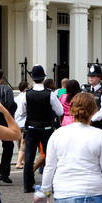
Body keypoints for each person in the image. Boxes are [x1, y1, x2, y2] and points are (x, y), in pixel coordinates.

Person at [17, 65, 64, 193]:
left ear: (32, 79)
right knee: (50, 157)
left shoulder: (27, 94)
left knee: (29, 157)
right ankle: (51, 184)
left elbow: (21, 113)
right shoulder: (50, 94)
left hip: (31, 127)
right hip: (47, 128)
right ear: (44, 78)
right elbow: (60, 111)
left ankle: (27, 185)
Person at [85, 65, 102, 131]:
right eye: (90, 76)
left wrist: (92, 119)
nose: (90, 78)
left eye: (93, 76)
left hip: (97, 124)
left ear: (99, 77)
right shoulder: (85, 90)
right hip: (85, 123)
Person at [13, 81, 30, 169]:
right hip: (24, 123)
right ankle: (19, 162)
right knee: (24, 145)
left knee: (19, 144)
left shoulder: (15, 99)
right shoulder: (26, 98)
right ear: (26, 89)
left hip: (16, 123)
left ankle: (23, 161)